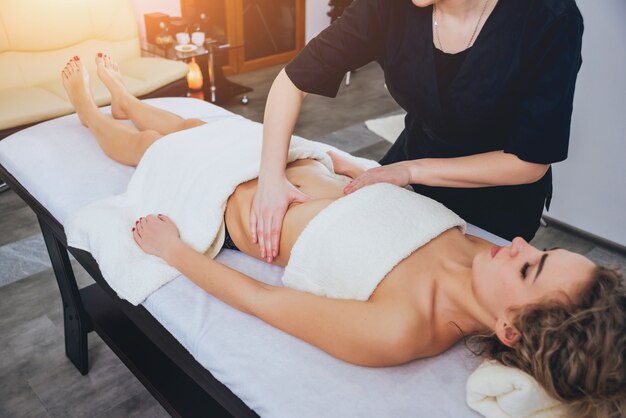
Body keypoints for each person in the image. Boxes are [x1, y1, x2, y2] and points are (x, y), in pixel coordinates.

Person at [61, 55, 624, 417]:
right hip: (295, 165)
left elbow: (265, 299)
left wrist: (173, 251)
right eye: (543, 249)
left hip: (230, 198)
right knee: (191, 126)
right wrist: (359, 176)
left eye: (530, 268)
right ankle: (130, 100)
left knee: (148, 150)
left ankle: (92, 111)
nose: (522, 245)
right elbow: (393, 218)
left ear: (508, 329)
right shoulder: (480, 252)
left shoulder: (403, 328)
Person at [251, 0, 584, 264]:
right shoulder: (389, 7)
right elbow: (293, 80)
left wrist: (411, 170)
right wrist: (270, 181)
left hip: (496, 199)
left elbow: (529, 162)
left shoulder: (549, 16)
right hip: (411, 166)